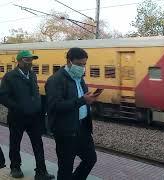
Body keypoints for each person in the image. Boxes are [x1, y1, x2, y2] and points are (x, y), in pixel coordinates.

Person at [45, 47, 101, 180]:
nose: (82, 67)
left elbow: (80, 99)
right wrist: (82, 100)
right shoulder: (55, 80)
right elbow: (55, 106)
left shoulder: (79, 78)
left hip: (83, 127)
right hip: (66, 130)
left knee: (90, 159)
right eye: (79, 64)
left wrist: (88, 101)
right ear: (69, 61)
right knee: (66, 167)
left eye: (84, 64)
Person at [0, 50, 55, 179]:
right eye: (27, 60)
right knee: (15, 143)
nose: (30, 62)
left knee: (38, 143)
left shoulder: (32, 74)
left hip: (34, 116)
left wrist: (39, 107)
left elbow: (35, 91)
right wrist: (17, 107)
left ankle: (41, 171)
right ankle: (15, 167)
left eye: (31, 60)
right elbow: (3, 97)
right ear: (19, 61)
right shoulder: (10, 76)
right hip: (17, 116)